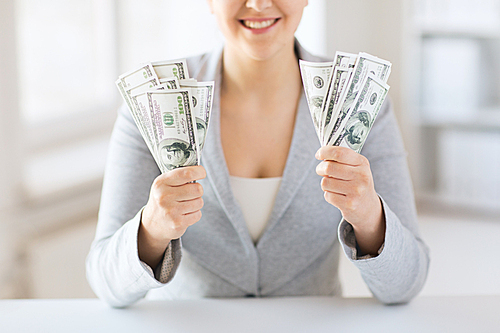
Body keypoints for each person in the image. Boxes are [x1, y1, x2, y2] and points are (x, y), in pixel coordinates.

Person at [86, 0, 429, 307]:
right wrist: (152, 229)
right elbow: (106, 281)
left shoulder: (358, 101)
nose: (259, 3)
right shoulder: (153, 103)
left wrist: (369, 216)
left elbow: (405, 285)